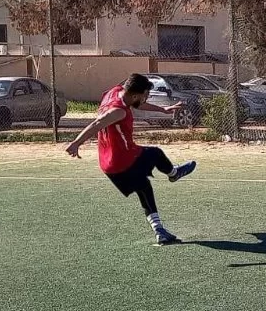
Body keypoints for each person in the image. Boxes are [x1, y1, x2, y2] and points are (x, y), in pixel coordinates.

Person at [65, 73, 197, 246]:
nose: (146, 99)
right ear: (135, 95)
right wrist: (76, 143)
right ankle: (174, 173)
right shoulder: (118, 111)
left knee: (144, 187)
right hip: (124, 159)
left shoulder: (115, 91)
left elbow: (137, 104)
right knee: (155, 153)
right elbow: (97, 124)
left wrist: (163, 109)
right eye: (145, 96)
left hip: (108, 164)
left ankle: (159, 231)